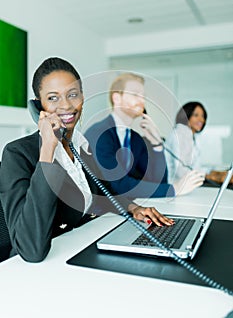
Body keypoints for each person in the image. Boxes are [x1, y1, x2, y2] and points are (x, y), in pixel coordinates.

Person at [0, 58, 176, 263]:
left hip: (79, 252)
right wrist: (48, 147)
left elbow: (102, 192)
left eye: (73, 95)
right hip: (37, 272)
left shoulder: (82, 146)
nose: (66, 105)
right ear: (39, 106)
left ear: (82, 97)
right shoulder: (18, 154)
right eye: (53, 98)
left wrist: (133, 208)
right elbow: (31, 250)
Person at [84, 73, 204, 200]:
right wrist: (173, 189)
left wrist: (156, 144)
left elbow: (157, 181)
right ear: (117, 98)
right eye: (135, 95)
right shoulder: (99, 133)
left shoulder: (135, 140)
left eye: (143, 96)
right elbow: (118, 184)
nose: (141, 100)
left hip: (127, 207)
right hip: (99, 212)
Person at [165, 102, 207, 183]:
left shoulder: (192, 136)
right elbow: (180, 171)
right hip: (175, 186)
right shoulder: (180, 134)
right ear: (186, 116)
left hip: (187, 184)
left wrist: (210, 173)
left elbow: (195, 166)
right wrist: (206, 175)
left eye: (203, 116)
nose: (201, 119)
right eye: (196, 115)